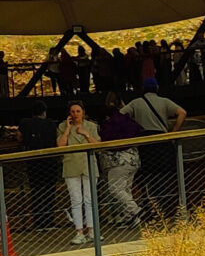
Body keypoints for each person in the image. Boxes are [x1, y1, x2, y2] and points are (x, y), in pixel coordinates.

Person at [55, 103, 100, 245]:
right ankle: (79, 231)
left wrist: (86, 134)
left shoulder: (91, 126)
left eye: (78, 111)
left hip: (88, 165)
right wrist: (68, 129)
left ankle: (92, 230)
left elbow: (97, 145)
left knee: (90, 199)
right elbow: (60, 145)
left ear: (83, 112)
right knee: (76, 200)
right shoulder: (62, 127)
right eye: (73, 111)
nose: (75, 114)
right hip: (71, 165)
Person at [95, 99, 145, 228]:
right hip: (133, 160)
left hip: (117, 162)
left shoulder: (109, 126)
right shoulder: (128, 122)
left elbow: (104, 141)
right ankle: (130, 218)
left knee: (115, 188)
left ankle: (134, 209)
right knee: (126, 189)